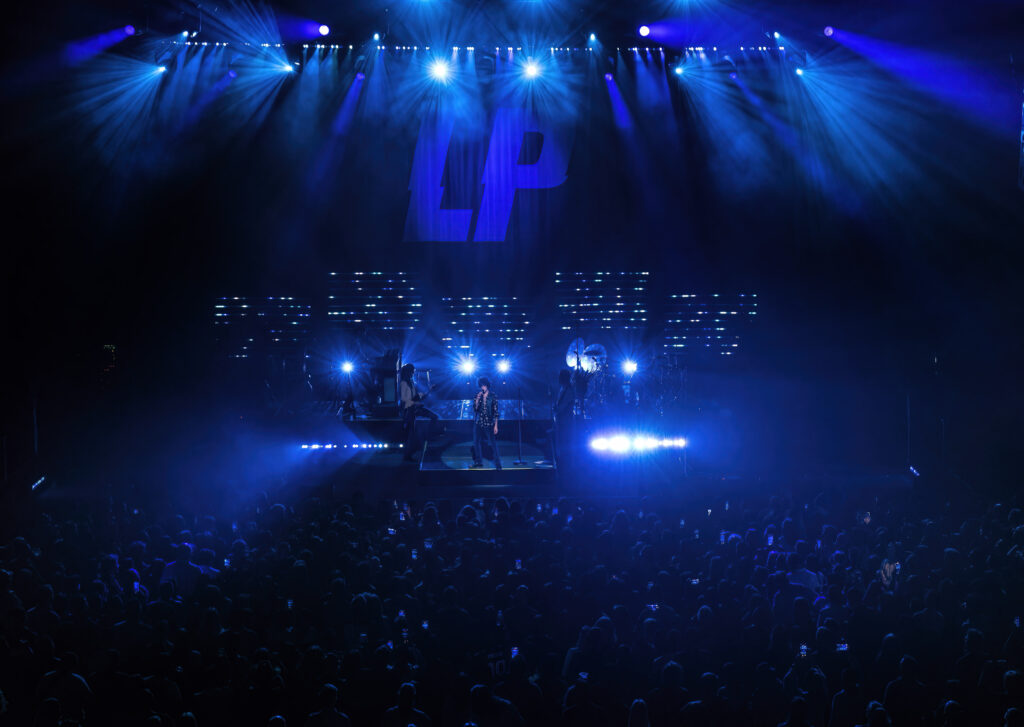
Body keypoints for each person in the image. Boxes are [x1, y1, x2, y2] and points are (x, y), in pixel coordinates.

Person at [399, 363, 438, 462]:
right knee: (410, 434)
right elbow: (405, 401)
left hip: (413, 409)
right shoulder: (404, 384)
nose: (413, 373)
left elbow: (417, 398)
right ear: (408, 372)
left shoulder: (410, 382)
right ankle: (407, 455)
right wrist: (416, 403)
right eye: (412, 372)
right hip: (409, 411)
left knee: (434, 417)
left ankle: (428, 438)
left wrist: (429, 391)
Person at [471, 377, 501, 470]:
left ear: (487, 385)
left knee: (493, 443)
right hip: (479, 422)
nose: (482, 387)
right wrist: (477, 399)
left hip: (489, 423)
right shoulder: (477, 395)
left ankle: (498, 464)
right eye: (481, 386)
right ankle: (478, 461)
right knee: (476, 442)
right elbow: (475, 409)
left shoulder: (493, 396)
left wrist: (496, 425)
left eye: (484, 385)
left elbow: (496, 411)